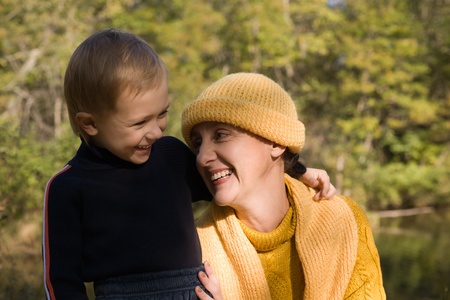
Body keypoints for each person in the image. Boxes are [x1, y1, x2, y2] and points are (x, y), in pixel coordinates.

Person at [42, 29, 335, 300]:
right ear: (90, 123)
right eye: (140, 122)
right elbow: (61, 279)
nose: (156, 131)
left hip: (193, 291)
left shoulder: (169, 156)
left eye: (161, 114)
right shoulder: (68, 186)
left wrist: (299, 172)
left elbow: (235, 179)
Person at [182, 72, 386, 300]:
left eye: (220, 135)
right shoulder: (193, 250)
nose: (201, 157)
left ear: (276, 141)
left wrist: (301, 170)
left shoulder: (345, 222)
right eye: (198, 143)